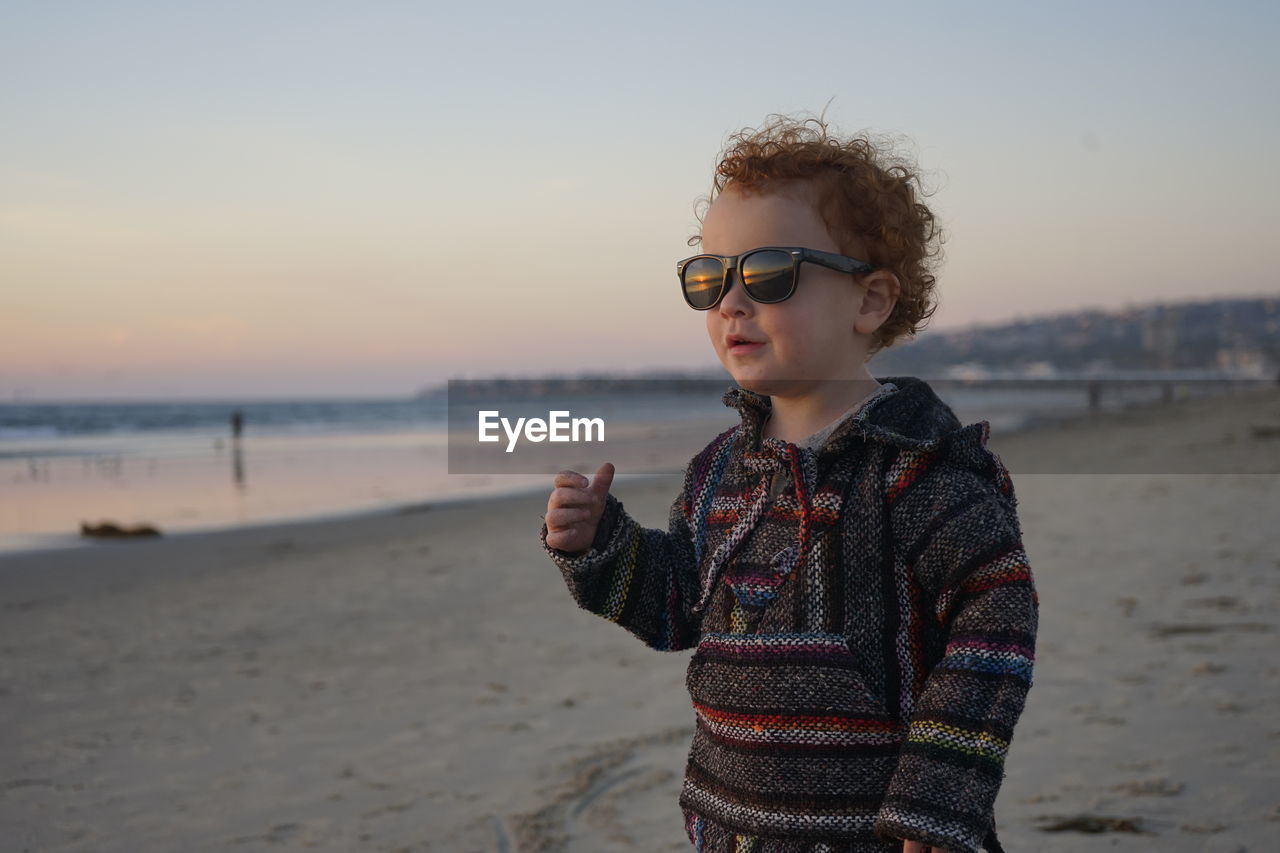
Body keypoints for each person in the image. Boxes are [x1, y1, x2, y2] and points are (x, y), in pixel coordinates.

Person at [539, 114, 1039, 853]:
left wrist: (942, 790)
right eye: (709, 278)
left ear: (870, 300)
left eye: (769, 273)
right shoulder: (719, 471)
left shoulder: (917, 467)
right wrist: (601, 546)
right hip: (733, 828)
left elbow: (995, 618)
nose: (731, 303)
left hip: (878, 832)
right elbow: (679, 605)